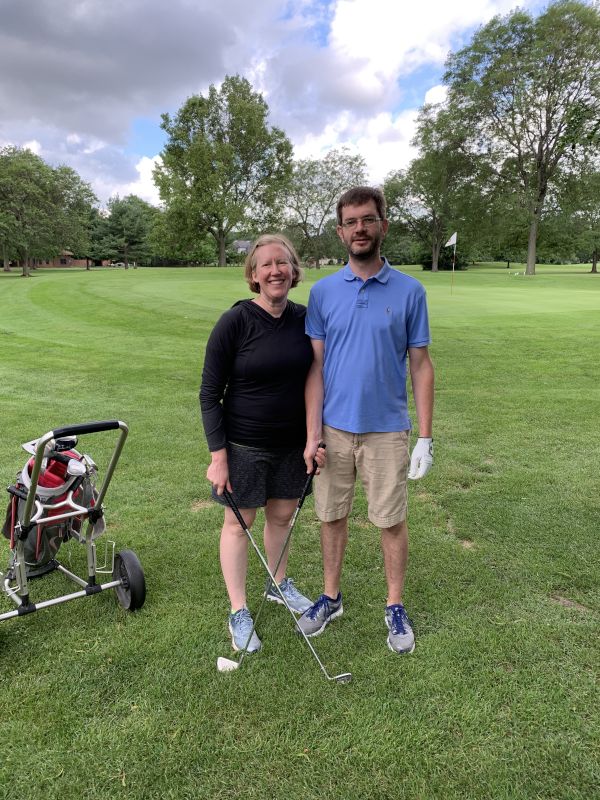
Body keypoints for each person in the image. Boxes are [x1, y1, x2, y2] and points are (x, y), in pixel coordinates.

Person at [300, 186, 435, 654]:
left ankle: (394, 605)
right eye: (351, 222)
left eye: (368, 219)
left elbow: (420, 364)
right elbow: (315, 367)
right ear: (340, 232)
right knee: (331, 516)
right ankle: (331, 597)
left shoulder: (410, 291)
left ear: (383, 225)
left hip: (386, 430)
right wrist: (312, 433)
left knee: (390, 520)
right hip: (334, 429)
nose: (360, 228)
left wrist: (425, 436)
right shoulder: (322, 292)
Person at [200, 234, 324, 655]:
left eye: (283, 263)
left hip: (292, 445)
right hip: (244, 446)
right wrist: (219, 458)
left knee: (282, 516)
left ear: (294, 270)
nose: (276, 271)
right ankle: (238, 609)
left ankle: (278, 584)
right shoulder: (234, 322)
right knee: (239, 523)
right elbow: (209, 393)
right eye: (266, 264)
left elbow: (314, 379)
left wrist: (313, 438)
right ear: (253, 275)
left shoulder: (306, 319)